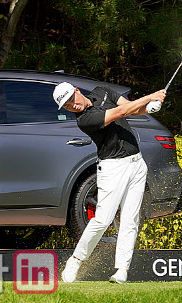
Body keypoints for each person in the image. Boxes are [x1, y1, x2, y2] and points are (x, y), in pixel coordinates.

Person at [52, 81, 166, 284]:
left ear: (77, 91)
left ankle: (122, 269)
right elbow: (121, 112)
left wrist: (148, 107)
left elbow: (132, 109)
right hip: (113, 168)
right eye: (67, 106)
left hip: (137, 164)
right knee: (102, 219)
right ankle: (76, 261)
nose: (73, 106)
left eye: (72, 100)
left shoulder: (103, 92)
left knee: (130, 220)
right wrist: (150, 95)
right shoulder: (85, 120)